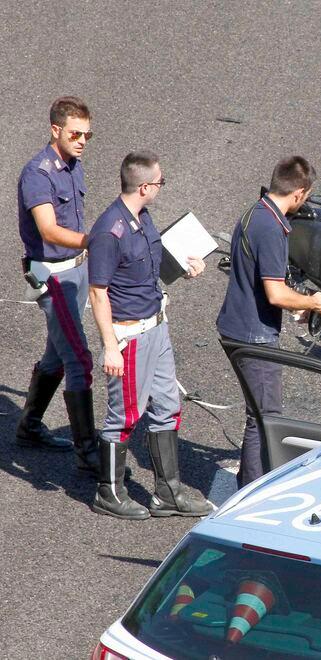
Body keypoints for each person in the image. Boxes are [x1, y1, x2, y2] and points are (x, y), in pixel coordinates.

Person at [87, 151, 211, 520]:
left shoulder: (142, 218)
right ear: (144, 186)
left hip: (156, 328)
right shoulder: (109, 231)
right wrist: (111, 347)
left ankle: (167, 493)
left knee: (167, 408)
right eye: (160, 182)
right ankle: (109, 492)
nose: (161, 187)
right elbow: (98, 293)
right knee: (123, 416)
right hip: (130, 338)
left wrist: (185, 266)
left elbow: (147, 269)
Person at [216, 156, 321, 488]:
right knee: (264, 418)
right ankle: (253, 491)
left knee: (258, 414)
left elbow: (263, 283)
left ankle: (248, 481)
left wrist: (296, 303)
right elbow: (275, 294)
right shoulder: (271, 227)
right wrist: (313, 301)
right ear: (298, 193)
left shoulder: (256, 212)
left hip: (235, 326)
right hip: (253, 337)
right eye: (306, 197)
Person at [16, 96, 98, 474]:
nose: (82, 141)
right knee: (78, 359)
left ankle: (29, 426)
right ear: (55, 130)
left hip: (76, 271)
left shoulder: (72, 165)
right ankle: (89, 454)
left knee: (57, 352)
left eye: (87, 134)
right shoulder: (38, 173)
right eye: (75, 133)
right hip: (53, 278)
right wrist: (93, 241)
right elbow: (48, 229)